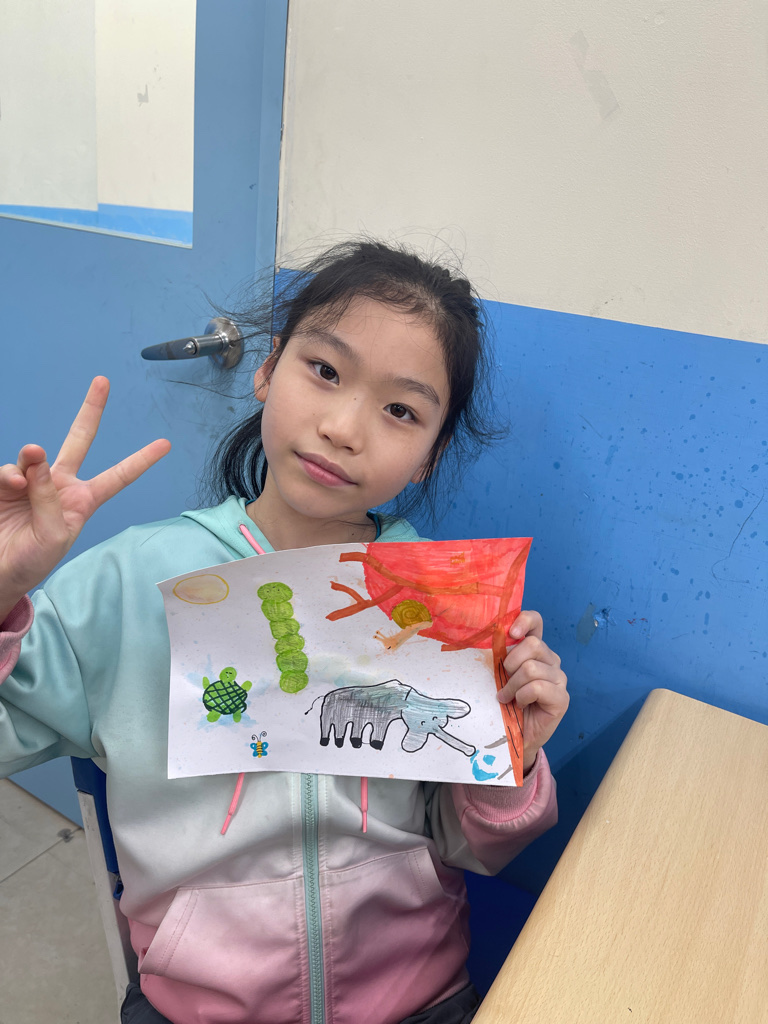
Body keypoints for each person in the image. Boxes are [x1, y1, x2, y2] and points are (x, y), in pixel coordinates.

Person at [0, 241, 569, 1024]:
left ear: (430, 456)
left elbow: (476, 845)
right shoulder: (130, 582)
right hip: (197, 1007)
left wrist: (514, 755)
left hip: (418, 1000)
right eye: (325, 371)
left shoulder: (435, 609)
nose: (343, 427)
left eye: (401, 411)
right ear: (268, 369)